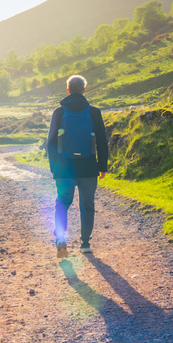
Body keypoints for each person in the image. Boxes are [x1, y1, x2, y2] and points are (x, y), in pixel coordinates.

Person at [46, 74, 108, 258]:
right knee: (87, 204)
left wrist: (54, 167)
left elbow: (50, 142)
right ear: (84, 90)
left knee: (62, 202)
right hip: (88, 167)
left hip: (64, 167)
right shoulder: (94, 112)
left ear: (68, 90)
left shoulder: (59, 112)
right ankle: (85, 243)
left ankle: (61, 239)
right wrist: (102, 166)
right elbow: (102, 141)